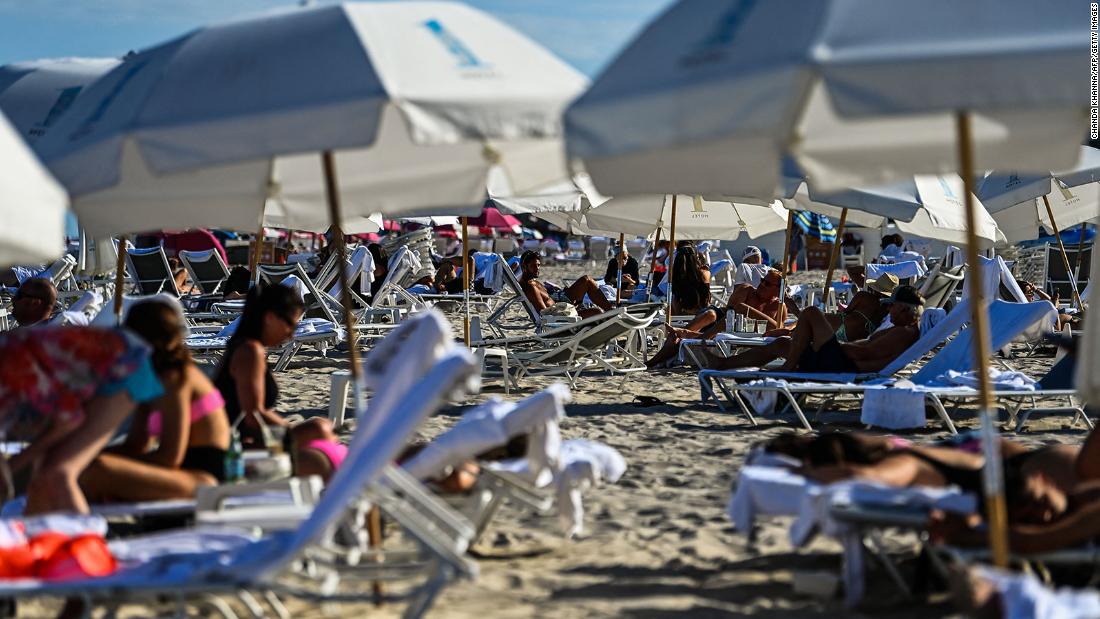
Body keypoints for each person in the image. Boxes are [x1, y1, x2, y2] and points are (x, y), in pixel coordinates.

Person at [80, 300, 230, 502]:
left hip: (202, 479)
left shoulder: (175, 378)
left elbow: (170, 457)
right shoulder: (152, 377)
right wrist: (85, 457)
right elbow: (137, 444)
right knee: (83, 466)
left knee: (97, 471)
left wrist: (101, 463)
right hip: (180, 473)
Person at [0, 327, 162, 514]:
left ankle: (87, 532)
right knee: (40, 481)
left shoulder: (13, 370)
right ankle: (39, 530)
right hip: (106, 369)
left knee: (57, 474)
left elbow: (69, 422)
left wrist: (14, 464)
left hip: (126, 367)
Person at [708, 285, 925, 373]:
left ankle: (789, 367)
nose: (889, 310)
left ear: (904, 308)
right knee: (782, 344)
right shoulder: (901, 329)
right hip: (841, 358)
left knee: (811, 312)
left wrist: (836, 347)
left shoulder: (903, 332)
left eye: (892, 306)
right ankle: (723, 364)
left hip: (842, 363)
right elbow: (867, 346)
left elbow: (866, 353)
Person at [213, 283, 305, 446]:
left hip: (240, 438)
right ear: (270, 318)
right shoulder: (249, 351)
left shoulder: (247, 346)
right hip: (235, 446)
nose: (291, 335)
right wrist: (291, 432)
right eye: (291, 325)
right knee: (318, 430)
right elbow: (254, 416)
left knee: (318, 430)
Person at [519, 250, 613, 319]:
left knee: (586, 280)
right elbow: (544, 313)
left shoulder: (531, 281)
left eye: (538, 265)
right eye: (533, 266)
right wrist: (568, 308)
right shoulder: (531, 287)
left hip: (559, 301)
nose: (537, 269)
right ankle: (611, 312)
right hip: (561, 313)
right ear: (524, 267)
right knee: (597, 311)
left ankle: (611, 311)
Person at [667, 245, 711, 315]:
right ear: (695, 260)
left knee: (674, 297)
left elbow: (676, 300)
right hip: (701, 313)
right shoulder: (704, 273)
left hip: (682, 314)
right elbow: (707, 298)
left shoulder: (676, 276)